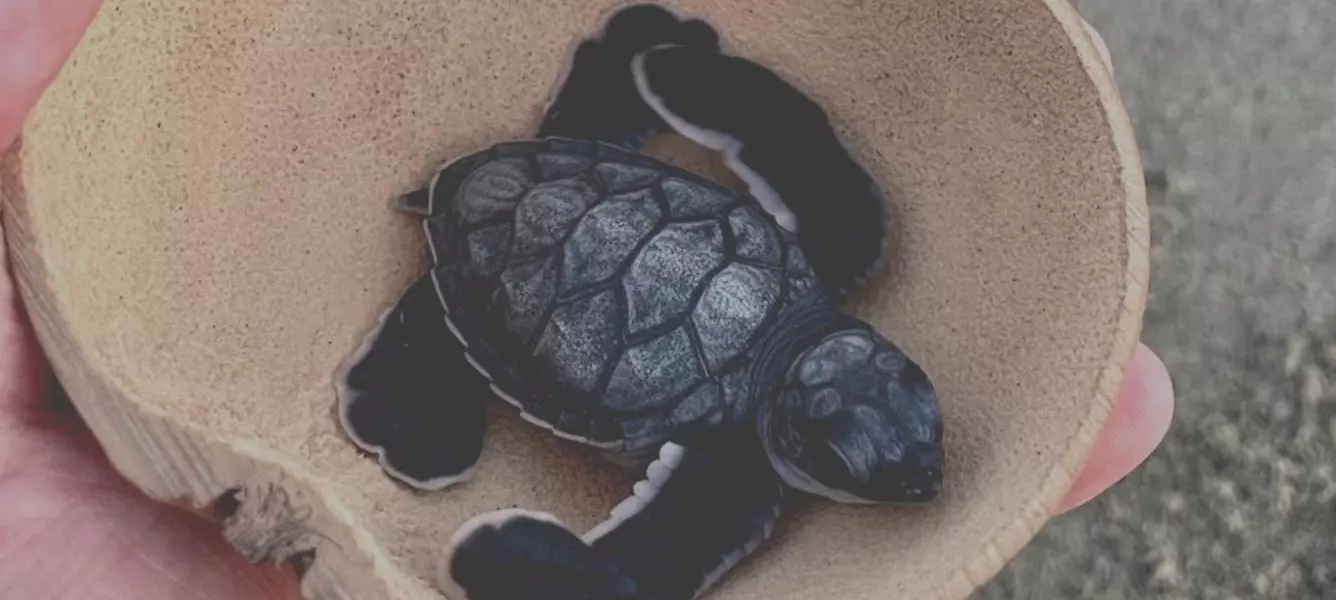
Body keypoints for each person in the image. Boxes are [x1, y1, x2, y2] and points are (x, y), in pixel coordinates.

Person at [0, 2, 1174, 597]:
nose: (918, 467)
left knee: (657, 193)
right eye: (886, 449)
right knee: (481, 343)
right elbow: (634, 575)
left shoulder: (827, 261)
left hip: (598, 196)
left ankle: (611, 93)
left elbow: (779, 137)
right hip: (502, 253)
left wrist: (692, 79)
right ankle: (425, 375)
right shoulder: (733, 466)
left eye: (885, 446)